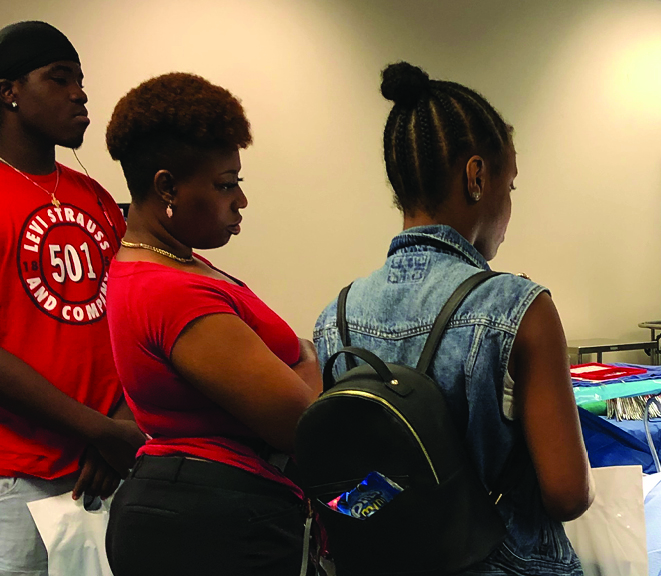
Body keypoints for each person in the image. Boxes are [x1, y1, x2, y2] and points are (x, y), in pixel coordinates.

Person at [313, 62, 594, 575]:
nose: (509, 208)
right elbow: (567, 495)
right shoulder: (519, 307)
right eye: (510, 187)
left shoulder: (336, 318)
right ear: (477, 177)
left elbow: (353, 493)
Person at [102, 72, 321, 575]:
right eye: (226, 185)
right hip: (217, 527)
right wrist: (307, 358)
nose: (239, 200)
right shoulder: (172, 291)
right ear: (166, 186)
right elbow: (301, 426)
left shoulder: (166, 263)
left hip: (204, 509)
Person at [0, 21, 145, 576]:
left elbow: (135, 316)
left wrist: (120, 422)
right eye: (59, 78)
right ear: (9, 91)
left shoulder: (97, 198)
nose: (80, 93)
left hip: (110, 467)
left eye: (81, 80)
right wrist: (98, 429)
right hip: (19, 482)